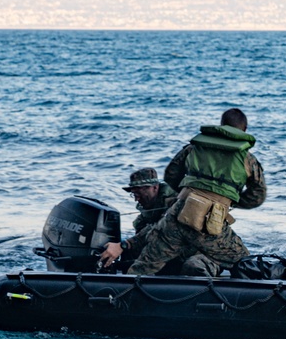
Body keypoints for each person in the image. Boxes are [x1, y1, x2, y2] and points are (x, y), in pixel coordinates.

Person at [128, 108, 266, 277]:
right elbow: (257, 195)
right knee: (243, 261)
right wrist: (227, 200)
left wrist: (191, 195)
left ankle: (115, 295)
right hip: (209, 222)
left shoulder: (194, 148)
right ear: (244, 130)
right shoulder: (248, 159)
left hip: (177, 214)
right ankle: (203, 274)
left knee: (145, 265)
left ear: (221, 126)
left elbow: (171, 174)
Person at [98, 167, 178, 272]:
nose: (136, 199)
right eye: (134, 194)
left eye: (139, 193)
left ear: (154, 187)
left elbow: (158, 228)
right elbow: (141, 234)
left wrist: (124, 244)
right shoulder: (147, 208)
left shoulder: (175, 202)